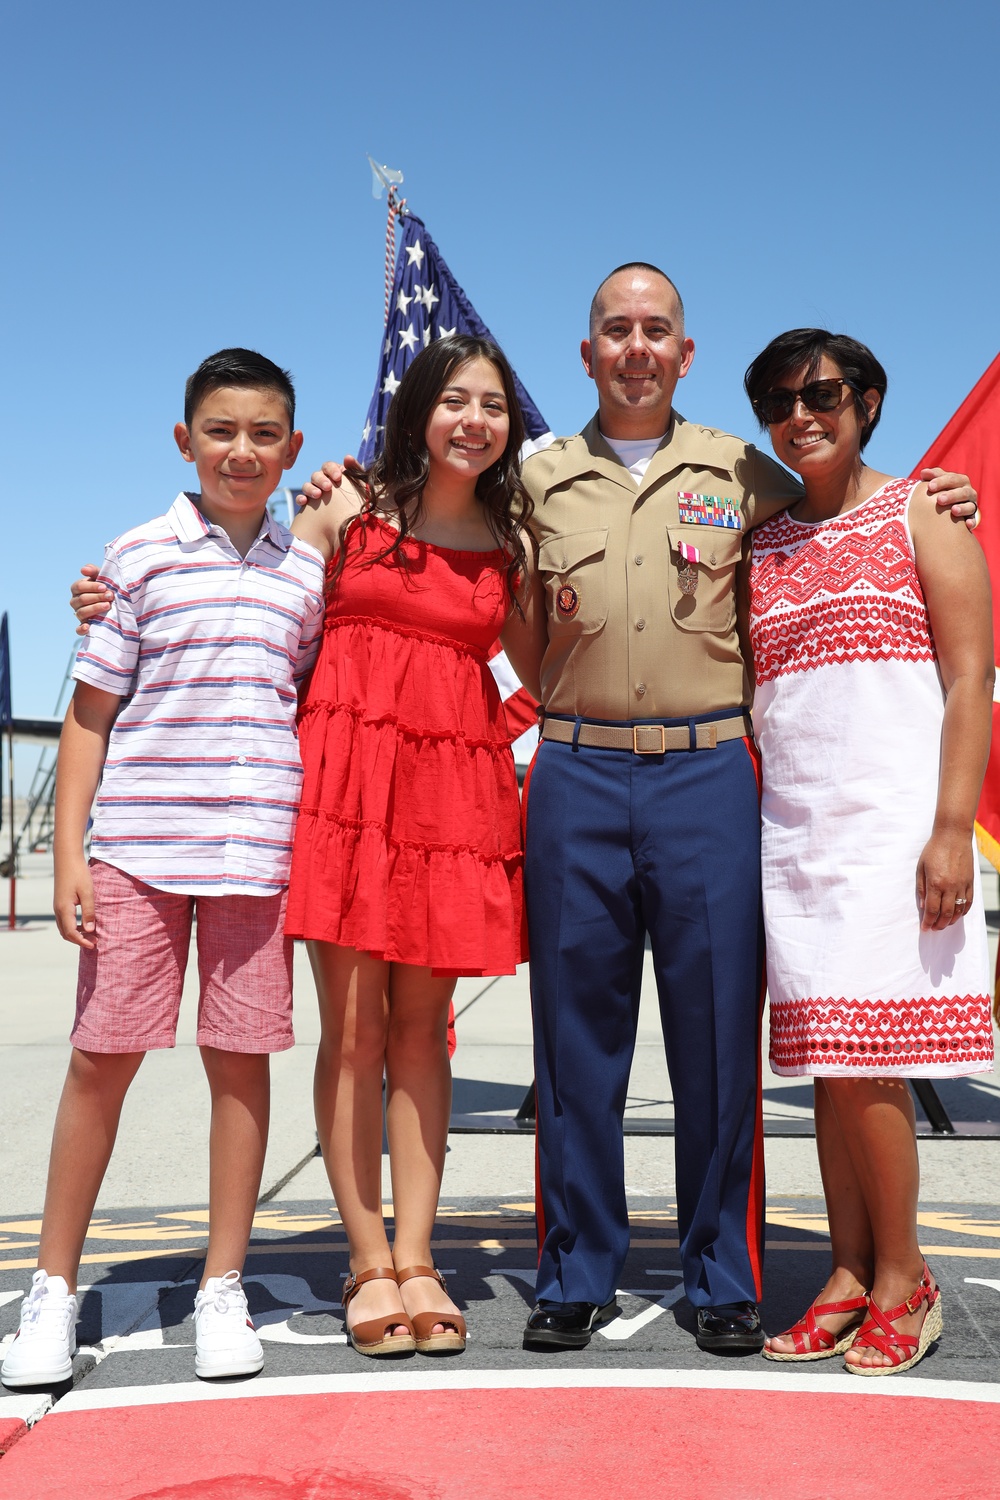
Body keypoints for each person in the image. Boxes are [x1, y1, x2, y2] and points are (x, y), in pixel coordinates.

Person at [299, 264, 978, 1354]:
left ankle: (719, 1274)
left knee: (716, 1040)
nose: (636, 347)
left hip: (709, 776)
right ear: (586, 354)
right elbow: (474, 587)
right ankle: (576, 1268)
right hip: (574, 773)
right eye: (615, 329)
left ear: (684, 352)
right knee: (575, 1046)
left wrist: (944, 492)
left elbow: (840, 496)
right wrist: (332, 485)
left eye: (655, 329)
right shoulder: (530, 480)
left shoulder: (742, 471)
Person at [1, 349, 325, 1390]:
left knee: (242, 1064)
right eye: (221, 431)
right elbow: (89, 718)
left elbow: (309, 698)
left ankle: (222, 1286)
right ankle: (52, 1289)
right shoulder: (135, 559)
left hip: (255, 857)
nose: (242, 451)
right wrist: (72, 858)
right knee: (103, 1060)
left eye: (264, 434)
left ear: (292, 449)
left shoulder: (305, 571)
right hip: (139, 853)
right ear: (184, 441)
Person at [279, 335, 540, 1356]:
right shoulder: (343, 507)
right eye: (455, 401)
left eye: (493, 406)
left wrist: (480, 725)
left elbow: (548, 670)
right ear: (418, 408)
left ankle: (420, 1254)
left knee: (421, 1035)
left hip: (447, 803)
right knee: (349, 1031)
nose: (474, 421)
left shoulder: (507, 538)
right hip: (344, 790)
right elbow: (263, 619)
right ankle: (365, 1258)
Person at [743, 329, 994, 1373]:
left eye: (825, 393)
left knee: (872, 1066)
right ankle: (848, 1271)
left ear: (869, 399)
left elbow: (968, 679)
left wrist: (948, 829)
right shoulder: (757, 539)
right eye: (780, 401)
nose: (803, 414)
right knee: (825, 1068)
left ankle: (905, 1278)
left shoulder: (924, 514)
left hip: (893, 830)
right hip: (790, 834)